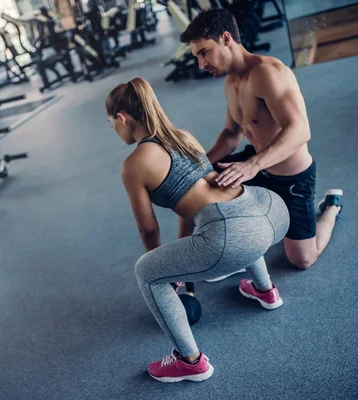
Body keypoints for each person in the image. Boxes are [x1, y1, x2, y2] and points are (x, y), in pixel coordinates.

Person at [106, 77, 290, 383]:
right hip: (269, 209)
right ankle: (265, 290)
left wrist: (164, 270)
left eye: (111, 122)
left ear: (122, 118)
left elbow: (148, 229)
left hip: (234, 233)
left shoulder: (134, 164)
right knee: (229, 220)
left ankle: (189, 361)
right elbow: (193, 208)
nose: (113, 129)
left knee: (146, 271)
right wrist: (179, 264)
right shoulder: (183, 136)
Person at [179, 8, 343, 270]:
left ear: (225, 38)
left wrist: (252, 165)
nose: (201, 64)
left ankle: (331, 208)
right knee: (197, 186)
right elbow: (231, 135)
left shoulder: (268, 73)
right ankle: (187, 263)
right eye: (197, 56)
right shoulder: (231, 83)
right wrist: (200, 164)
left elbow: (300, 130)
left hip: (291, 179)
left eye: (203, 52)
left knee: (302, 259)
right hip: (257, 167)